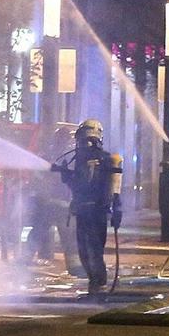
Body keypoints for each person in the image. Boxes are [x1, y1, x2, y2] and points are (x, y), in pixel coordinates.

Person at [55, 118, 124, 296]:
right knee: (84, 251)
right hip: (83, 210)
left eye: (86, 140)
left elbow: (113, 186)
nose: (83, 144)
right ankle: (95, 284)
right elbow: (79, 185)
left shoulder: (106, 159)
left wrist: (117, 207)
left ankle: (99, 285)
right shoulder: (79, 161)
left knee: (94, 250)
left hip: (97, 211)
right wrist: (66, 176)